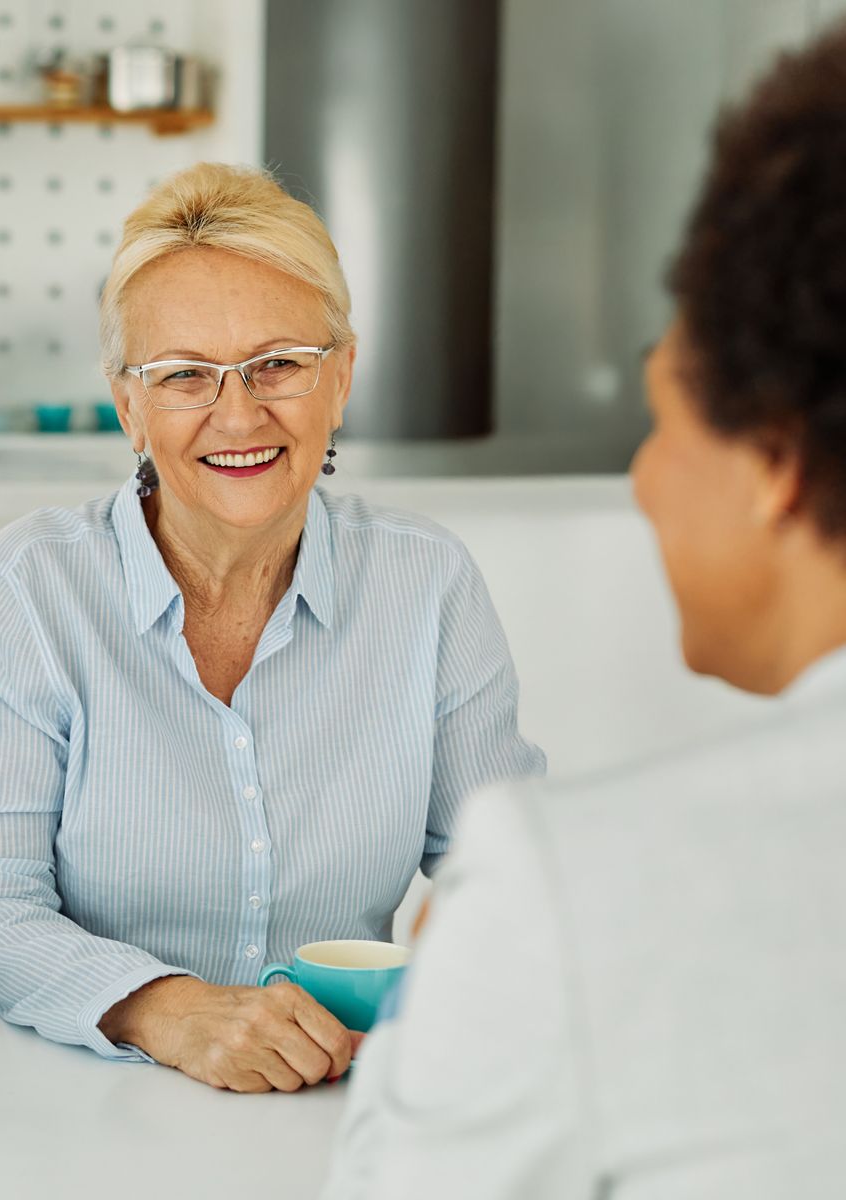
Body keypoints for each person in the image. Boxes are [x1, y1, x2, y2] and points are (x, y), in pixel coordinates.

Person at [323, 23, 846, 1197]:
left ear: (772, 461)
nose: (644, 479)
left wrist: (452, 990)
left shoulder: (571, 888)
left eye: (663, 419)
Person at [0, 162, 545, 1094]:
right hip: (86, 1100)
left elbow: (503, 870)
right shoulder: (31, 590)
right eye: (185, 376)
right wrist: (167, 1010)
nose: (239, 412)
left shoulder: (426, 583)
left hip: (341, 1100)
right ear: (128, 405)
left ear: (339, 379)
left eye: (278, 365)